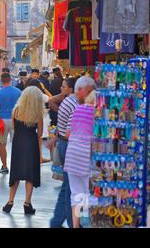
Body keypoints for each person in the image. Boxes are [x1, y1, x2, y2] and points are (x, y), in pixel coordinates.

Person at [50, 76, 94, 228]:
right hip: (76, 151)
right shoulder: (78, 105)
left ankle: (64, 222)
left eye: (63, 86)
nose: (61, 89)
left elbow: (69, 130)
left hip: (69, 150)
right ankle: (74, 223)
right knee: (78, 191)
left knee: (70, 190)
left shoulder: (70, 103)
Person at [2, 86, 44, 215]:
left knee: (16, 172)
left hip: (18, 143)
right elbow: (40, 133)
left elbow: (14, 128)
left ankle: (10, 201)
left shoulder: (16, 111)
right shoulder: (37, 113)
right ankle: (27, 202)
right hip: (31, 144)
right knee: (29, 174)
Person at [64, 90, 96, 228]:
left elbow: (68, 133)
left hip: (72, 156)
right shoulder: (96, 114)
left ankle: (76, 225)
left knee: (76, 194)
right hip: (86, 156)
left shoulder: (77, 110)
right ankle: (88, 224)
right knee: (90, 194)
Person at [0, 73, 22, 174]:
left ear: (1, 81)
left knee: (2, 144)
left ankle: (4, 166)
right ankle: (17, 166)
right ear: (11, 80)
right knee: (17, 144)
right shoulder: (18, 92)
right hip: (15, 120)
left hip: (2, 121)